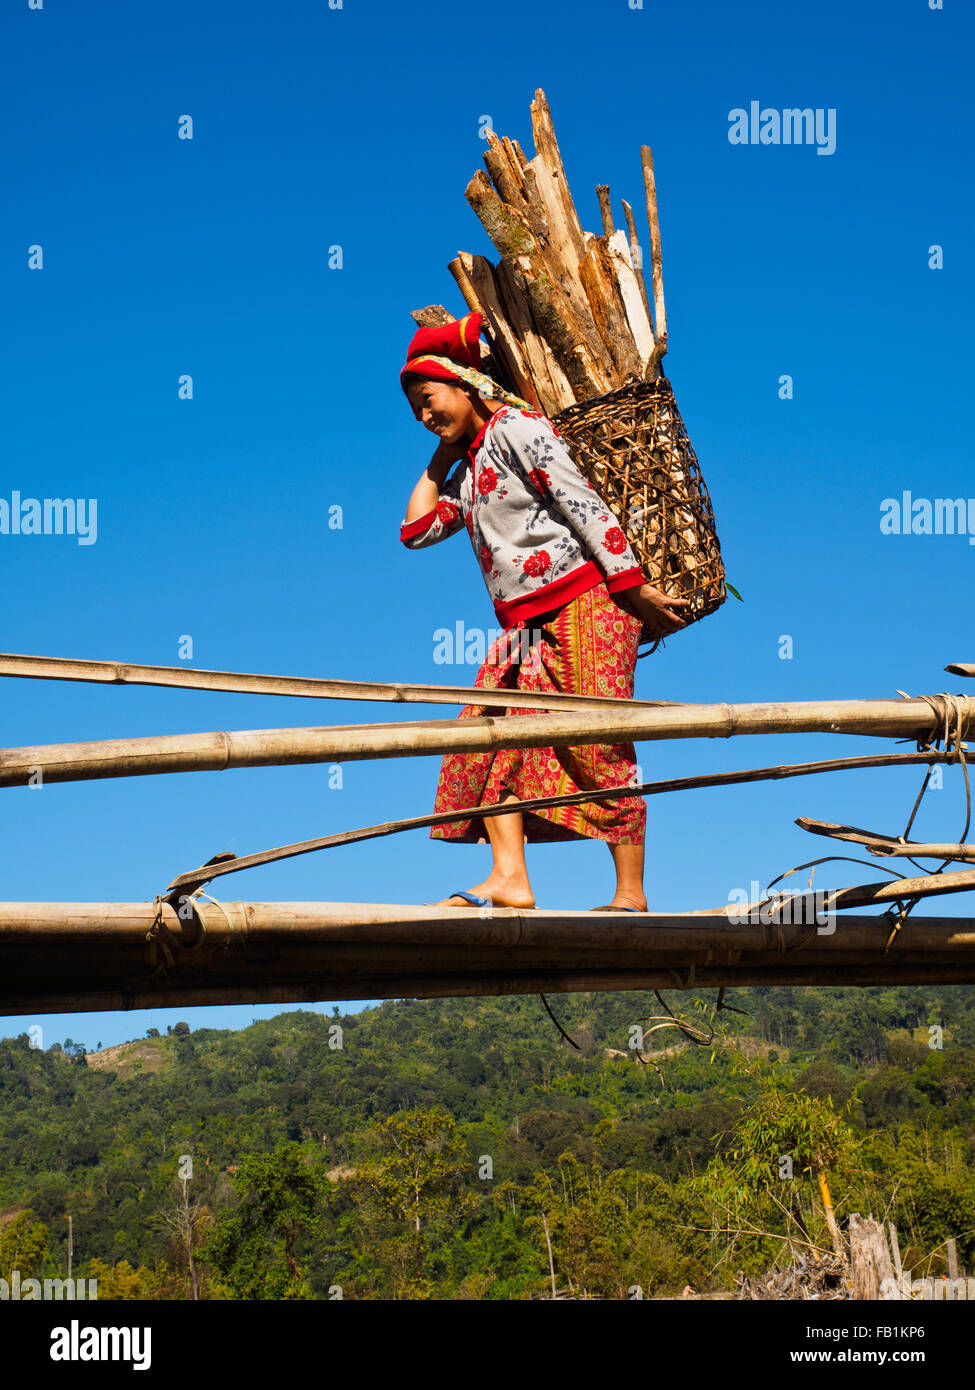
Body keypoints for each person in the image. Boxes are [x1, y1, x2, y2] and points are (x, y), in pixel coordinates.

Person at [399, 312, 688, 912]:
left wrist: (631, 589)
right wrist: (439, 460)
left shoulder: (516, 429)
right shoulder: (474, 465)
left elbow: (580, 503)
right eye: (417, 412)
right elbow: (417, 530)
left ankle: (630, 895)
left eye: (430, 400)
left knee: (597, 741)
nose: (427, 417)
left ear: (464, 382)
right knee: (492, 732)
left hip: (587, 603)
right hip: (523, 624)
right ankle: (510, 878)